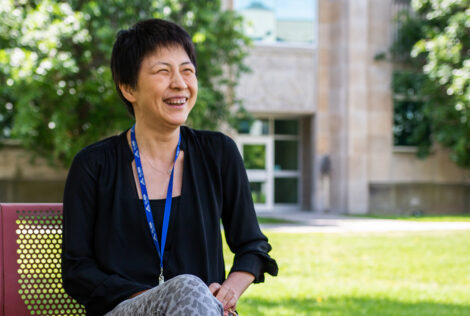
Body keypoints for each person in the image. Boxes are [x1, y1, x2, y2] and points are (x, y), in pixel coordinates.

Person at [61, 18, 278, 316]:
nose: (180, 83)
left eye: (187, 70)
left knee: (193, 293)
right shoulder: (93, 165)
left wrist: (226, 293)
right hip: (124, 310)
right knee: (188, 286)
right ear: (128, 88)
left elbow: (252, 246)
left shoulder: (218, 153)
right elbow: (77, 270)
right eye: (163, 71)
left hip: (204, 310)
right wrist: (166, 298)